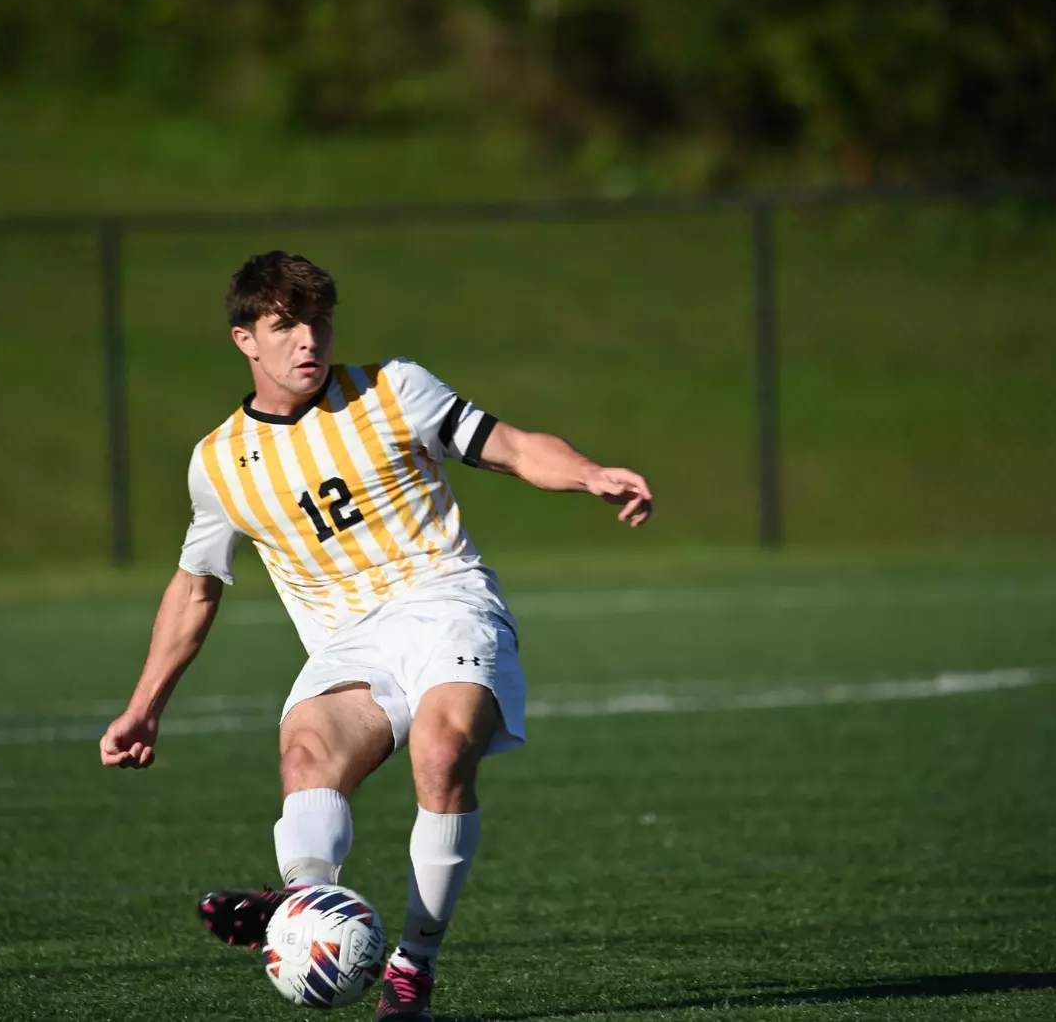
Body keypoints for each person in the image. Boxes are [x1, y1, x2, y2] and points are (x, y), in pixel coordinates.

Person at [99, 251, 652, 1020]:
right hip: (346, 645)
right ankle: (300, 905)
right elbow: (197, 588)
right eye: (284, 326)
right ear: (244, 340)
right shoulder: (219, 464)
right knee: (306, 754)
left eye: (318, 323)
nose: (308, 342)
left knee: (442, 748)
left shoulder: (393, 390)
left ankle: (411, 970)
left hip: (446, 604)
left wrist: (592, 474)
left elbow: (515, 446)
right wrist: (145, 705)